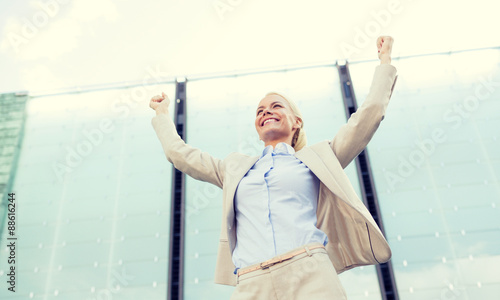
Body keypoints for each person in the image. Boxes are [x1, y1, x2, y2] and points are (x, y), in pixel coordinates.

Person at [150, 36, 398, 300]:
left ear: (297, 122)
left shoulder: (319, 158)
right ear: (258, 129)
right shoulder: (234, 169)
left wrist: (385, 61)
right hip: (251, 282)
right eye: (260, 111)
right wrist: (162, 114)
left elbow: (368, 116)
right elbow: (180, 155)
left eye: (276, 106)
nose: (266, 112)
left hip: (310, 272)